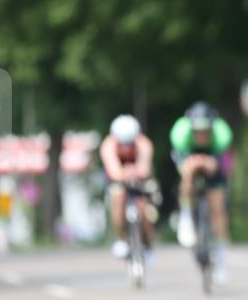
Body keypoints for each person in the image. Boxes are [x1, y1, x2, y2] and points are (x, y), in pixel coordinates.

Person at [170, 102, 233, 284]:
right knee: (188, 172)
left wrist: (209, 164)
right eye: (198, 130)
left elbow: (219, 164)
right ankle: (186, 215)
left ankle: (220, 259)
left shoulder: (222, 135)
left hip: (214, 155)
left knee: (218, 208)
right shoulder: (180, 133)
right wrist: (193, 163)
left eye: (206, 130)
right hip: (188, 154)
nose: (202, 134)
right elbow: (182, 162)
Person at [99, 114, 156, 261]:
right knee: (118, 199)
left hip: (139, 179)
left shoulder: (144, 143)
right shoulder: (108, 145)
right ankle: (121, 239)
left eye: (129, 143)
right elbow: (113, 171)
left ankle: (147, 244)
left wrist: (135, 172)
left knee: (144, 208)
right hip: (119, 179)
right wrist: (126, 173)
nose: (126, 147)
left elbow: (145, 169)